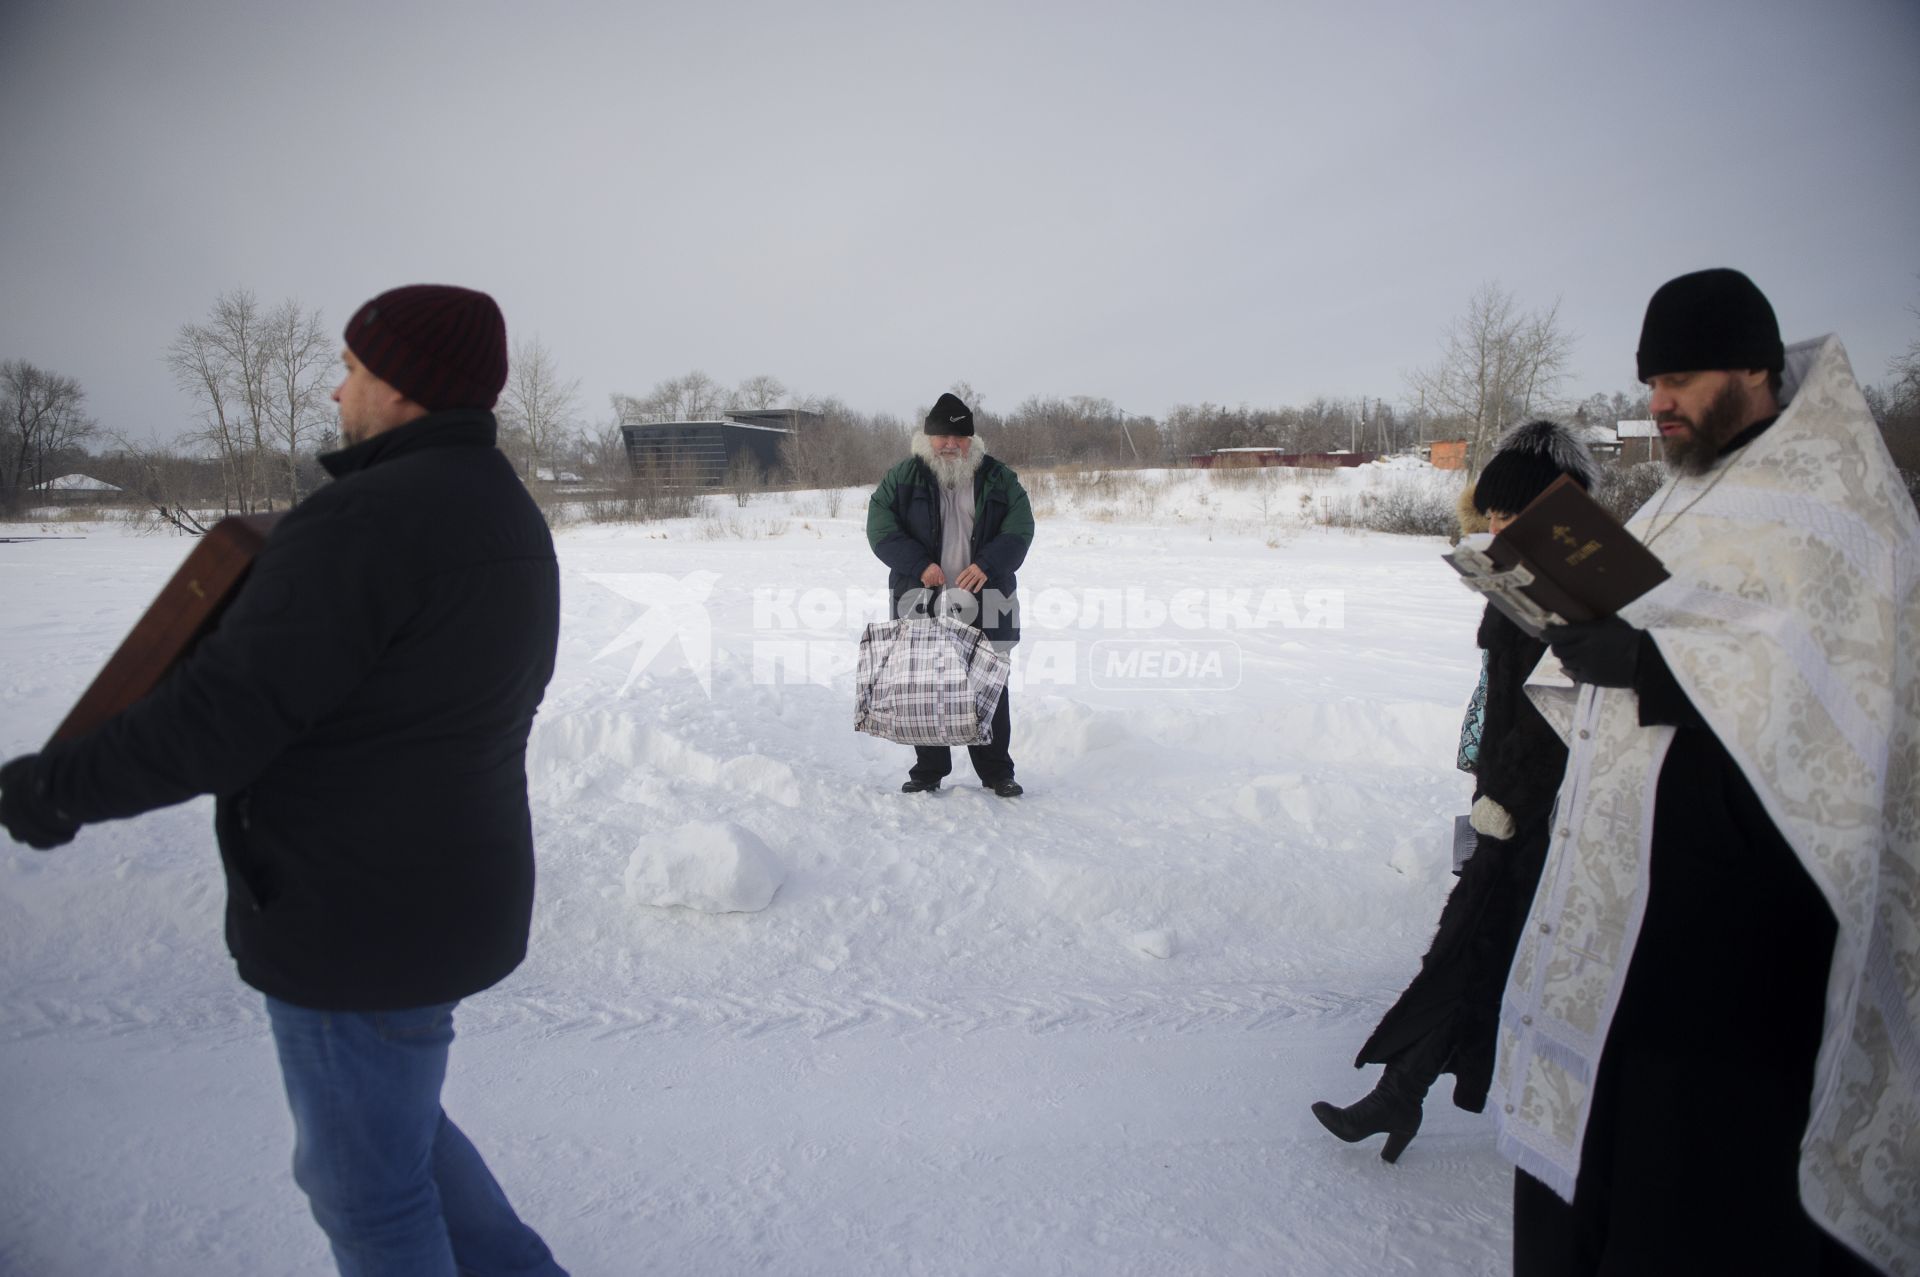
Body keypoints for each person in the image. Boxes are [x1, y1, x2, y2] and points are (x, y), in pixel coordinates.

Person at [0, 284, 569, 1277]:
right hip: (439, 888)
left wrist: (55, 787)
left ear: (402, 386)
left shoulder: (360, 522)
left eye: (353, 365)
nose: (337, 384)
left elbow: (216, 720)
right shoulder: (501, 508)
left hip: (354, 911)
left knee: (369, 1193)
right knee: (398, 1131)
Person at [1492, 269, 1917, 1274]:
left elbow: (1851, 683)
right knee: (1607, 1145)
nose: (1659, 405)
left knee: (1702, 1182)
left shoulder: (1841, 502)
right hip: (1632, 896)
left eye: (1678, 377)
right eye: (1650, 383)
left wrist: (1648, 663)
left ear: (1754, 369)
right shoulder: (1693, 491)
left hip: (1753, 917)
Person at [1312, 420, 1597, 1163]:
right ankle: (1401, 1094)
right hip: (1499, 795)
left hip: (1550, 809)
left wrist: (1508, 794)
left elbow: (1557, 708)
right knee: (1476, 944)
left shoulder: (1577, 580)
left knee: (1502, 952)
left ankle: (1420, 1097)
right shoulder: (1519, 571)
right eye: (1492, 515)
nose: (1498, 527)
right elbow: (1501, 694)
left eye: (1513, 515)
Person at [866, 391, 1034, 796]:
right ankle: (929, 769)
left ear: (972, 441)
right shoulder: (902, 477)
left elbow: (1019, 528)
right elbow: (880, 528)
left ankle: (996, 771)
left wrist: (988, 564)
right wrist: (919, 564)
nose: (950, 445)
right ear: (927, 439)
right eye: (942, 436)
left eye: (959, 438)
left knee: (989, 683)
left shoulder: (998, 477)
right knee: (925, 682)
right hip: (922, 596)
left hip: (989, 595)